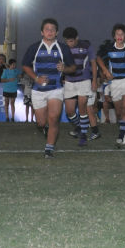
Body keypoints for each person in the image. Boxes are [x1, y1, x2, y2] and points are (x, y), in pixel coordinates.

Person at [21, 18, 76, 158]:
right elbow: (25, 65)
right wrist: (36, 78)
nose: (50, 31)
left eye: (52, 29)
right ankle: (45, 128)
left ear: (56, 32)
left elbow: (73, 68)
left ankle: (49, 149)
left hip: (56, 88)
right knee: (41, 122)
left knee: (54, 118)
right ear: (42, 32)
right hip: (38, 90)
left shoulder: (63, 48)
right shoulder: (34, 47)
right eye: (47, 29)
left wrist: (65, 68)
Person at [96, 23, 125, 148]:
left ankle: (121, 134)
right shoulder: (109, 48)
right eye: (117, 34)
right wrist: (106, 71)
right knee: (118, 112)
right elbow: (98, 58)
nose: (120, 36)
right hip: (115, 81)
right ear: (114, 36)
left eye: (122, 34)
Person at [61, 27, 99, 146]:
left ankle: (83, 135)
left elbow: (93, 63)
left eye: (71, 41)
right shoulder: (63, 48)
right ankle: (79, 126)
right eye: (67, 41)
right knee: (70, 111)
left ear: (77, 38)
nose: (69, 44)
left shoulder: (87, 46)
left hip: (84, 80)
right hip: (69, 81)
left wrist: (94, 80)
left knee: (83, 107)